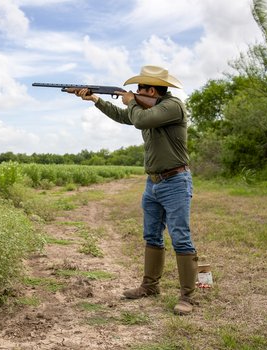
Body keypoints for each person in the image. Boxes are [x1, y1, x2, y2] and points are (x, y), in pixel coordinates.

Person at [71, 65, 198, 315]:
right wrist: (95, 98)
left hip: (175, 181)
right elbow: (125, 117)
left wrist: (130, 101)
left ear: (151, 90)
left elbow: (139, 119)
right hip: (153, 183)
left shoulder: (172, 106)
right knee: (152, 235)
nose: (134, 91)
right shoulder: (148, 108)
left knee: (180, 237)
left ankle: (188, 297)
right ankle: (150, 287)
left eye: (139, 88)